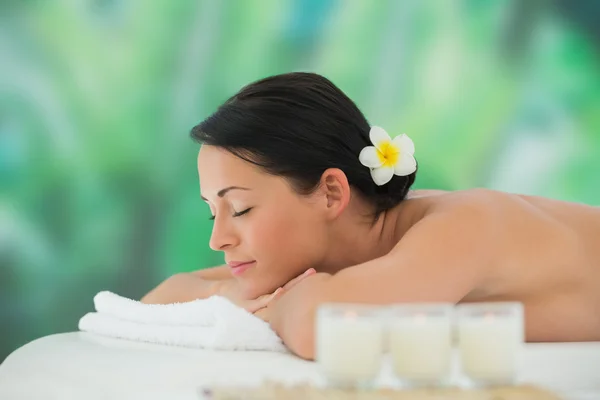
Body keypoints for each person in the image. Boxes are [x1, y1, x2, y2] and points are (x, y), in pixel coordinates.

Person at [141, 72, 600, 360]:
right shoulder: (339, 261)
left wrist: (254, 301)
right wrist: (247, 297)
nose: (218, 240)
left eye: (240, 208)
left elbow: (325, 330)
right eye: (212, 213)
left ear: (331, 192)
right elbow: (160, 300)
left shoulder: (466, 224)